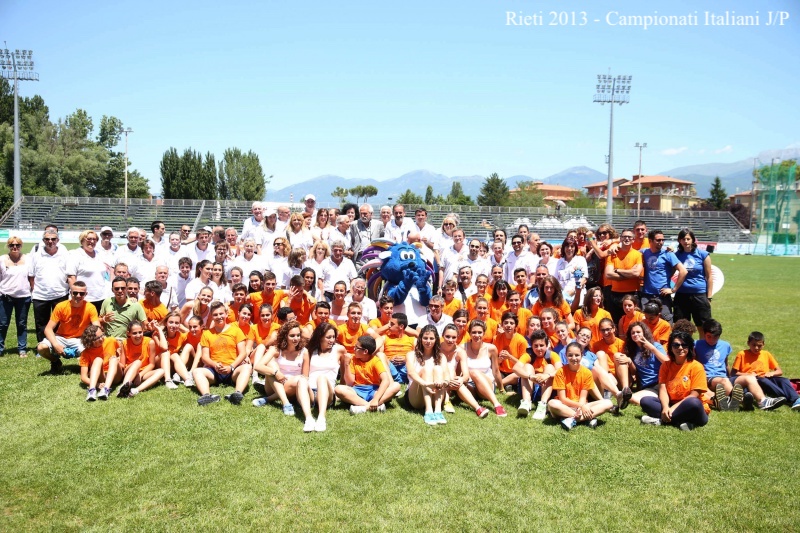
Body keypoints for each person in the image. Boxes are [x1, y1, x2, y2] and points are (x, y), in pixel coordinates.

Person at [639, 331, 710, 430]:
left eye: (684, 345)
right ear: (671, 347)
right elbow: (663, 389)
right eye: (676, 345)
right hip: (671, 403)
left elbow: (694, 395)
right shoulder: (666, 365)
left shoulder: (697, 366)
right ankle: (681, 422)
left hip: (691, 406)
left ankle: (661, 421)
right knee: (646, 401)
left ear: (689, 347)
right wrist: (665, 407)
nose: (680, 348)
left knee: (694, 403)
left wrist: (672, 409)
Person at [254, 321, 317, 430]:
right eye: (292, 336)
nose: (296, 338)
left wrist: (294, 380)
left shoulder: (304, 352)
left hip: (296, 387)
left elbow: (305, 377)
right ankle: (286, 403)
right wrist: (276, 373)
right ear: (285, 336)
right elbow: (258, 366)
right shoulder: (276, 349)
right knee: (271, 364)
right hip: (275, 385)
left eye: (298, 335)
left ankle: (309, 418)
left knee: (301, 379)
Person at [193, 301, 253, 406]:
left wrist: (231, 367)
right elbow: (205, 357)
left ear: (226, 314)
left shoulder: (236, 331)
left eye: (221, 314)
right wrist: (215, 365)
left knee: (247, 367)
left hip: (233, 370)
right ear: (212, 316)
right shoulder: (207, 333)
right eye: (215, 315)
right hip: (214, 371)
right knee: (197, 371)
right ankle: (207, 396)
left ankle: (237, 394)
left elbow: (243, 353)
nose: (219, 317)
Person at [37, 281, 101, 373]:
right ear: (70, 293)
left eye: (81, 293)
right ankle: (55, 361)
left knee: (91, 351)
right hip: (61, 337)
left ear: (86, 294)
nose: (78, 296)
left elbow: (96, 327)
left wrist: (90, 340)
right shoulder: (61, 306)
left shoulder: (90, 307)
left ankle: (86, 365)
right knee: (41, 348)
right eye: (75, 293)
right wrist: (56, 345)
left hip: (80, 338)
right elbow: (48, 329)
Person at [548, 342, 614, 430]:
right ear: (566, 356)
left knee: (608, 403)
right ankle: (585, 418)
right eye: (570, 355)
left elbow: (583, 397)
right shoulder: (560, 372)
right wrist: (581, 406)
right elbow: (562, 398)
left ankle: (571, 419)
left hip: (581, 405)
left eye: (577, 355)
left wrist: (581, 406)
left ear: (582, 355)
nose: (574, 358)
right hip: (565, 406)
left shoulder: (587, 373)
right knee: (552, 403)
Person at [732, 331, 799, 410]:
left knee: (784, 380)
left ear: (763, 344)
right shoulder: (742, 354)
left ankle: (796, 399)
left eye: (759, 346)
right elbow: (733, 373)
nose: (756, 348)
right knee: (763, 380)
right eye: (754, 345)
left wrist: (772, 373)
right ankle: (786, 399)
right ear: (748, 343)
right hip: (753, 381)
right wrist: (748, 375)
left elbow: (779, 371)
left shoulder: (766, 354)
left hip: (766, 377)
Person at [334, 335, 401, 413]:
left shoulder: (375, 361)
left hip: (374, 391)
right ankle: (371, 406)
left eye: (356, 347)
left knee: (396, 386)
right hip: (357, 390)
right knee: (338, 389)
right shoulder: (352, 359)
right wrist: (346, 364)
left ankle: (363, 408)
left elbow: (385, 380)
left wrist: (376, 399)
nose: (354, 349)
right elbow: (350, 383)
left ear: (365, 351)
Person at [28, 228, 70, 343]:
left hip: (60, 294)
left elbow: (69, 273)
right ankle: (43, 345)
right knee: (41, 323)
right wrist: (35, 290)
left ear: (58, 240)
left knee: (60, 322)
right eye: (47, 239)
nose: (50, 241)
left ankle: (58, 344)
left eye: (53, 239)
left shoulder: (65, 255)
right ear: (43, 240)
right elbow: (31, 276)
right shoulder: (36, 256)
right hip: (40, 296)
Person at [693, 318, 745, 411]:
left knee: (746, 378)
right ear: (704, 333)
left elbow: (725, 363)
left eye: (715, 337)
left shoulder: (725, 345)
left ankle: (726, 401)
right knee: (723, 381)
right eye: (709, 336)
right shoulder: (697, 344)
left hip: (723, 377)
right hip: (708, 377)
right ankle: (743, 401)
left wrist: (730, 376)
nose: (712, 340)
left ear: (719, 335)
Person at [614, 321, 668, 408]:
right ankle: (625, 390)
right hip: (643, 385)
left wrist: (652, 349)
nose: (635, 334)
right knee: (618, 356)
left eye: (638, 332)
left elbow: (668, 363)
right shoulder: (632, 349)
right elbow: (634, 372)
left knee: (632, 398)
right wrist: (630, 361)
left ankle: (658, 403)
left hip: (657, 384)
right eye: (633, 333)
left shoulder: (655, 345)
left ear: (644, 333)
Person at [305, 322, 346, 432]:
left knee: (322, 378)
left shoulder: (339, 350)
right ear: (320, 337)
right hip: (311, 392)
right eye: (328, 337)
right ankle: (309, 419)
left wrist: (341, 390)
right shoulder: (311, 350)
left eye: (333, 337)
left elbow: (344, 373)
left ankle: (321, 418)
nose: (332, 340)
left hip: (328, 392)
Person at [406, 325, 450, 425]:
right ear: (420, 339)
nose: (428, 341)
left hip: (435, 395)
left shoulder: (441, 357)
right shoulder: (411, 355)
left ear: (436, 340)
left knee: (438, 368)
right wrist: (425, 384)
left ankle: (437, 411)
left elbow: (447, 377)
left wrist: (442, 383)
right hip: (416, 396)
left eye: (431, 338)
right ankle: (428, 411)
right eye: (425, 338)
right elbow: (411, 373)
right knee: (426, 369)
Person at [640, 229, 687, 323]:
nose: (661, 242)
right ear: (650, 241)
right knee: (645, 324)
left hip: (662, 296)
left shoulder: (668, 254)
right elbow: (629, 251)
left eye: (663, 240)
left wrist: (673, 290)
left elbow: (683, 271)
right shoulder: (643, 252)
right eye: (658, 240)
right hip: (646, 295)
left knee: (667, 324)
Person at [673, 228, 713, 335]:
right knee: (682, 328)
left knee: (703, 327)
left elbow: (709, 277)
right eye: (683, 239)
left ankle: (702, 345)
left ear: (693, 240)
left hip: (699, 295)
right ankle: (687, 345)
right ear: (679, 241)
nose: (686, 241)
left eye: (688, 239)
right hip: (681, 295)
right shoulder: (676, 255)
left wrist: (709, 297)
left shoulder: (703, 255)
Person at [463, 319, 506, 417]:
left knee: (474, 372)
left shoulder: (491, 348)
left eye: (479, 332)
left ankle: (497, 404)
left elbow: (496, 371)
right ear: (469, 333)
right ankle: (477, 407)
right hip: (470, 385)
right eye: (474, 332)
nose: (476, 335)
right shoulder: (462, 348)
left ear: (484, 333)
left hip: (487, 384)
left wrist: (501, 389)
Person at [116, 320, 165, 398]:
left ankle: (135, 390)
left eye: (140, 332)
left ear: (143, 331)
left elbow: (152, 364)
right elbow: (123, 365)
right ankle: (123, 387)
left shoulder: (150, 342)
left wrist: (140, 375)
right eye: (134, 333)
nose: (138, 335)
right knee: (138, 362)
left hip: (143, 372)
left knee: (161, 371)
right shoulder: (125, 343)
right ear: (128, 333)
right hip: (129, 371)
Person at [0, 236, 32, 357]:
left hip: (23, 297)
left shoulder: (28, 259)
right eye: (12, 245)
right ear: (8, 246)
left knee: (21, 324)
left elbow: (31, 277)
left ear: (21, 246)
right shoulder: (2, 259)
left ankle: (22, 349)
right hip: (5, 296)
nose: (15, 247)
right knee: (2, 324)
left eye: (17, 245)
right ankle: (0, 348)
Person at [604, 228, 643, 325]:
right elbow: (608, 274)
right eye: (624, 237)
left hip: (633, 293)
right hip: (615, 294)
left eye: (629, 237)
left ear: (633, 240)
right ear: (620, 239)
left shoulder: (638, 255)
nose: (627, 239)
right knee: (616, 323)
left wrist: (617, 270)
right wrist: (629, 274)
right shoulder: (613, 254)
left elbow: (636, 273)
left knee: (633, 323)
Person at [67, 230, 108, 311]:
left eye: (94, 239)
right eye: (89, 239)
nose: (92, 241)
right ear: (82, 240)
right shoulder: (75, 254)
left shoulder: (100, 254)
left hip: (101, 297)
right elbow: (71, 277)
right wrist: (76, 295)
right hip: (83, 298)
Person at [79, 325, 120, 401]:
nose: (101, 339)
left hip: (116, 374)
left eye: (102, 335)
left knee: (114, 359)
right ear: (90, 340)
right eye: (97, 338)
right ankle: (92, 391)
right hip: (102, 376)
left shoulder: (111, 341)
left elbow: (122, 355)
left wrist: (118, 358)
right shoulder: (85, 353)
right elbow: (83, 377)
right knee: (98, 359)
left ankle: (106, 389)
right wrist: (97, 384)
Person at [98, 276, 147, 341]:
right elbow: (98, 321)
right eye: (117, 289)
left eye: (123, 288)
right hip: (109, 341)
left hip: (127, 342)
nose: (120, 291)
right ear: (112, 290)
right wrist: (104, 319)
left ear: (126, 289)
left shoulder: (135, 305)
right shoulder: (107, 302)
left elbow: (145, 324)